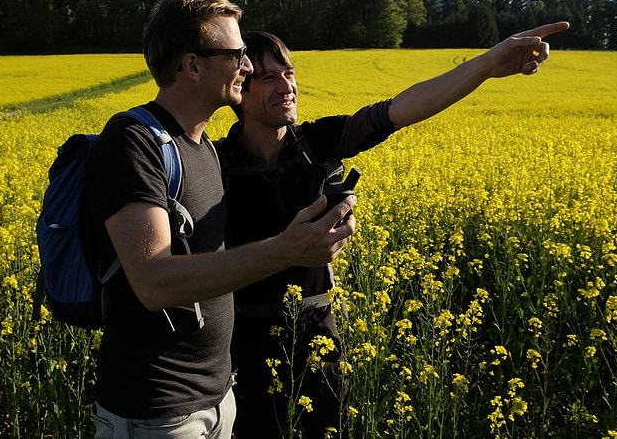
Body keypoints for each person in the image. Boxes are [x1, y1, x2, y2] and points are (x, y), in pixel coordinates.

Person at [217, 22, 571, 438]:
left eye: (289, 73)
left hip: (318, 334)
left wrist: (487, 65)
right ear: (239, 87)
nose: (286, 86)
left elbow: (400, 109)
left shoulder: (316, 143)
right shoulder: (215, 163)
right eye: (268, 77)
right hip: (243, 344)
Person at [82, 0, 356, 438]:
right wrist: (288, 249)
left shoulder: (205, 148)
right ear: (192, 66)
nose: (246, 67)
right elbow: (153, 282)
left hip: (217, 399)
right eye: (238, 55)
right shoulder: (133, 142)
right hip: (158, 411)